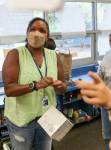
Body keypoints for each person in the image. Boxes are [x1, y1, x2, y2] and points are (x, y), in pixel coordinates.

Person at [2, 17, 66, 150]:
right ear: (27, 32)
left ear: (47, 36)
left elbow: (62, 88)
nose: (37, 33)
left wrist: (61, 86)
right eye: (33, 29)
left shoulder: (54, 56)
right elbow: (9, 89)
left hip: (48, 116)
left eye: (42, 30)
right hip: (22, 120)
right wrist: (35, 85)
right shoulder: (15, 55)